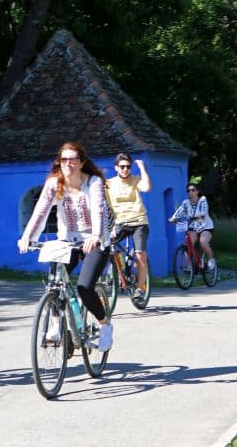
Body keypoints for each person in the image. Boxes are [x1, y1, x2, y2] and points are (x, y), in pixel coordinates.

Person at [18, 142, 113, 351]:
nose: (68, 163)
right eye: (64, 159)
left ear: (81, 162)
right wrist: (27, 236)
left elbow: (98, 209)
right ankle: (56, 325)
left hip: (95, 240)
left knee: (84, 287)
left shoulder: (93, 182)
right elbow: (40, 212)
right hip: (67, 242)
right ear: (59, 162)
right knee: (54, 283)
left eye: (73, 159)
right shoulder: (54, 184)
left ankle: (104, 324)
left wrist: (95, 235)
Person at [106, 153, 151, 300]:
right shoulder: (109, 184)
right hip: (120, 223)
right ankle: (118, 270)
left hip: (139, 222)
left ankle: (139, 289)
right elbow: (104, 205)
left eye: (128, 167)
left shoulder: (135, 180)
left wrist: (142, 168)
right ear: (116, 167)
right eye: (122, 166)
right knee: (107, 246)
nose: (125, 169)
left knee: (140, 255)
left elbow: (147, 187)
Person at [169, 183, 215, 269]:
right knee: (189, 244)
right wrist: (173, 218)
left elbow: (203, 211)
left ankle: (210, 259)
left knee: (203, 242)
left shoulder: (202, 200)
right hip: (193, 227)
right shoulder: (186, 203)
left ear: (197, 191)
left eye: (193, 190)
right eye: (188, 190)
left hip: (206, 227)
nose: (190, 192)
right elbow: (179, 211)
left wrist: (200, 215)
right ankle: (190, 265)